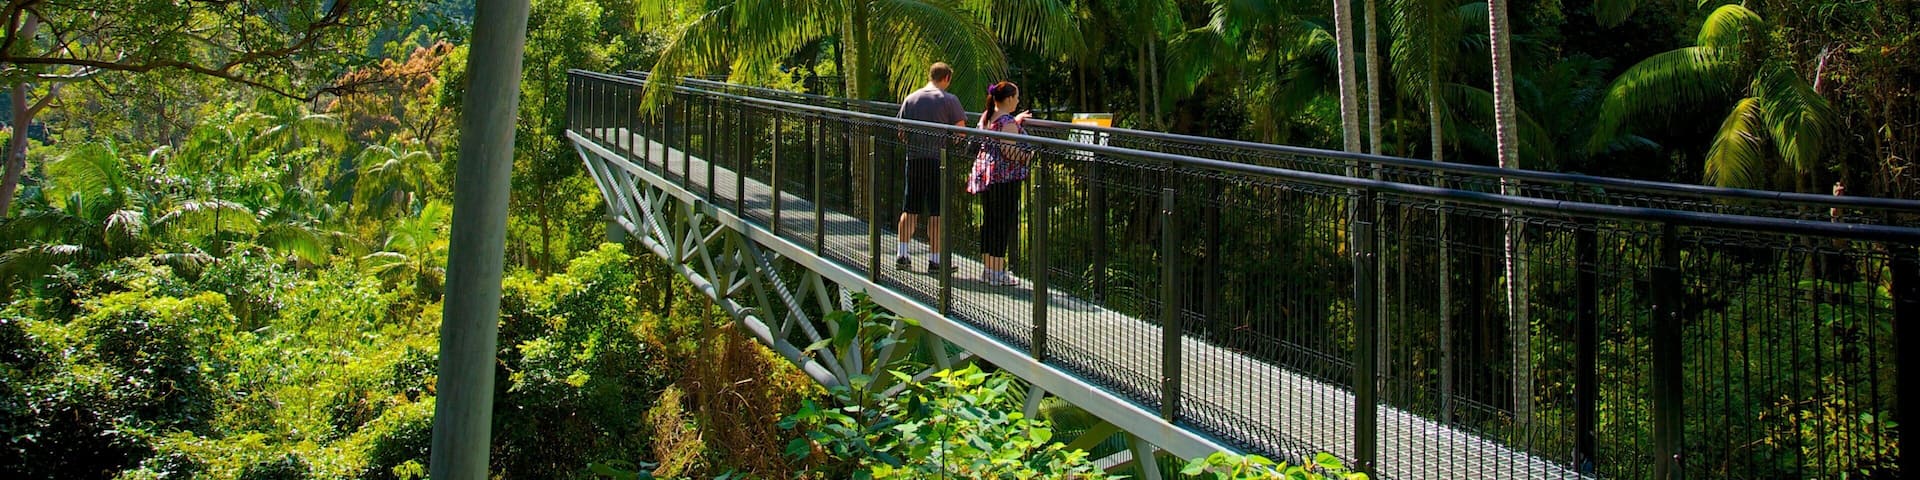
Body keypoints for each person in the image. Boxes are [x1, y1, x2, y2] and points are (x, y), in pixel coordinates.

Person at [895, 62, 969, 273]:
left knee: (910, 209)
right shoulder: (949, 100)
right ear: (946, 78)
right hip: (938, 161)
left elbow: (902, 131)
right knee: (936, 212)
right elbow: (960, 132)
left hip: (915, 159)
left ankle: (902, 254)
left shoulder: (911, 98)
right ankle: (935, 261)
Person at [966, 81, 1034, 286]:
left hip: (987, 175)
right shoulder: (1008, 123)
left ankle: (989, 269)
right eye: (1017, 96)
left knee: (990, 221)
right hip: (1004, 178)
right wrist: (1028, 155)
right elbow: (1009, 151)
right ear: (1009, 99)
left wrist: (1017, 121)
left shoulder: (987, 116)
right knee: (1002, 223)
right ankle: (998, 273)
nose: (1018, 100)